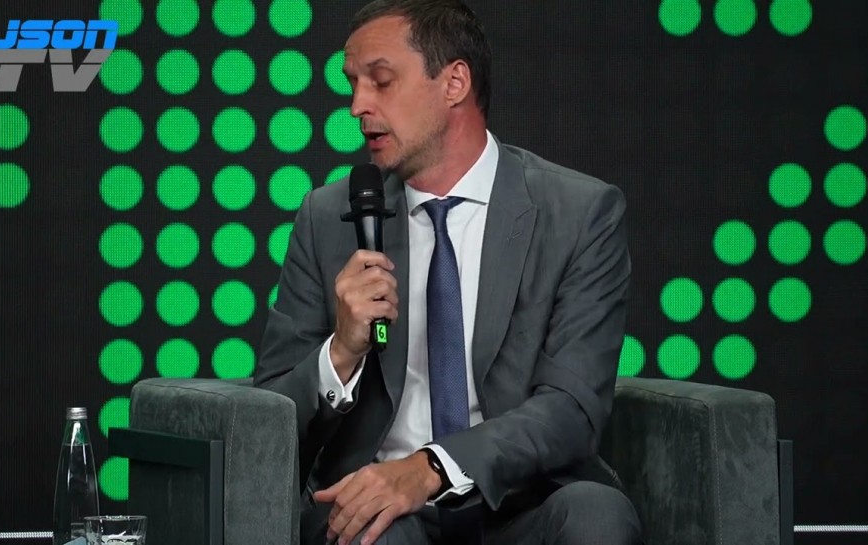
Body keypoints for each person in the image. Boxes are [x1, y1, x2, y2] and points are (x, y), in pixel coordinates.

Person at [255, 1, 641, 543]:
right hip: (383, 510)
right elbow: (266, 419)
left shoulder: (578, 214)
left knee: (596, 515)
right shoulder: (328, 217)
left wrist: (430, 468)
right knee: (367, 533)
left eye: (381, 81)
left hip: (521, 501)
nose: (357, 105)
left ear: (454, 83)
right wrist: (339, 354)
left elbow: (571, 409)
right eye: (352, 84)